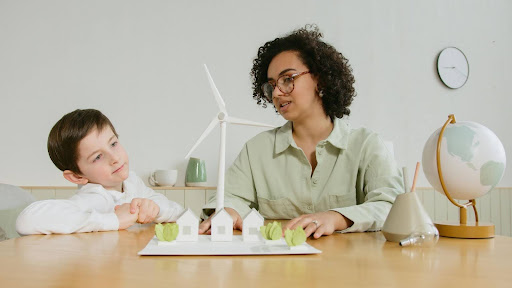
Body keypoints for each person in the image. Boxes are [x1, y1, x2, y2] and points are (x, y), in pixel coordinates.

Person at [199, 24, 403, 238]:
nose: (277, 93)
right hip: (280, 266)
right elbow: (230, 197)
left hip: (349, 266)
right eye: (271, 85)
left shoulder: (366, 145)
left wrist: (336, 217)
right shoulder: (257, 150)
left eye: (288, 79)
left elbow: (391, 205)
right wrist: (229, 212)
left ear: (320, 78)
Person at [16, 109, 184, 235]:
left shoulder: (131, 183)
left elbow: (180, 213)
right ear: (76, 176)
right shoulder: (95, 197)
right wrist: (114, 220)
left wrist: (156, 209)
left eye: (113, 144)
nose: (114, 158)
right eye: (97, 157)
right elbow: (26, 220)